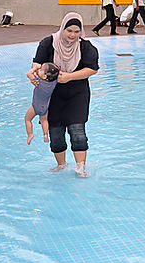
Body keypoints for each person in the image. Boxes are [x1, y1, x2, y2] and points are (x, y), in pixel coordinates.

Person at [28, 13, 99, 177]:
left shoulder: (86, 48)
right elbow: (37, 64)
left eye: (76, 31)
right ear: (62, 28)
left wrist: (70, 76)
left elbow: (93, 68)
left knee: (78, 131)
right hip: (52, 95)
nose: (72, 35)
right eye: (69, 31)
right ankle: (61, 164)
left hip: (78, 94)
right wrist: (34, 74)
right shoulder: (48, 43)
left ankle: (80, 168)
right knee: (56, 132)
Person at [24, 62, 59, 145]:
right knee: (44, 121)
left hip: (35, 106)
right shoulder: (54, 82)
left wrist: (34, 68)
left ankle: (30, 134)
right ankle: (45, 134)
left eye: (41, 70)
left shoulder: (38, 82)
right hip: (45, 107)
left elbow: (28, 74)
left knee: (27, 119)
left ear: (44, 76)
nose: (38, 70)